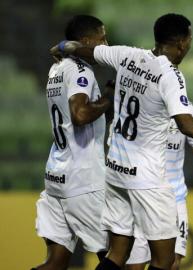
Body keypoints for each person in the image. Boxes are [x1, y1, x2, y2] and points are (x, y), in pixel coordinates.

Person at [52, 13, 193, 270]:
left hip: (116, 171)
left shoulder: (126, 55)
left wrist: (61, 48)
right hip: (147, 178)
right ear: (183, 43)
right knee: (164, 259)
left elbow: (83, 48)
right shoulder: (170, 76)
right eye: (190, 38)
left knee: (117, 254)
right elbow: (186, 123)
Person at [32, 15, 113, 270]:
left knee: (55, 263)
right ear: (86, 42)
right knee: (117, 254)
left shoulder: (56, 69)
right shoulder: (80, 70)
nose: (106, 44)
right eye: (102, 39)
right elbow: (79, 115)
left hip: (56, 177)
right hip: (83, 179)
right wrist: (108, 98)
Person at [126, 102, 193, 270]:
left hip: (174, 200)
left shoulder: (189, 112)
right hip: (141, 197)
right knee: (135, 266)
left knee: (172, 263)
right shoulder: (138, 105)